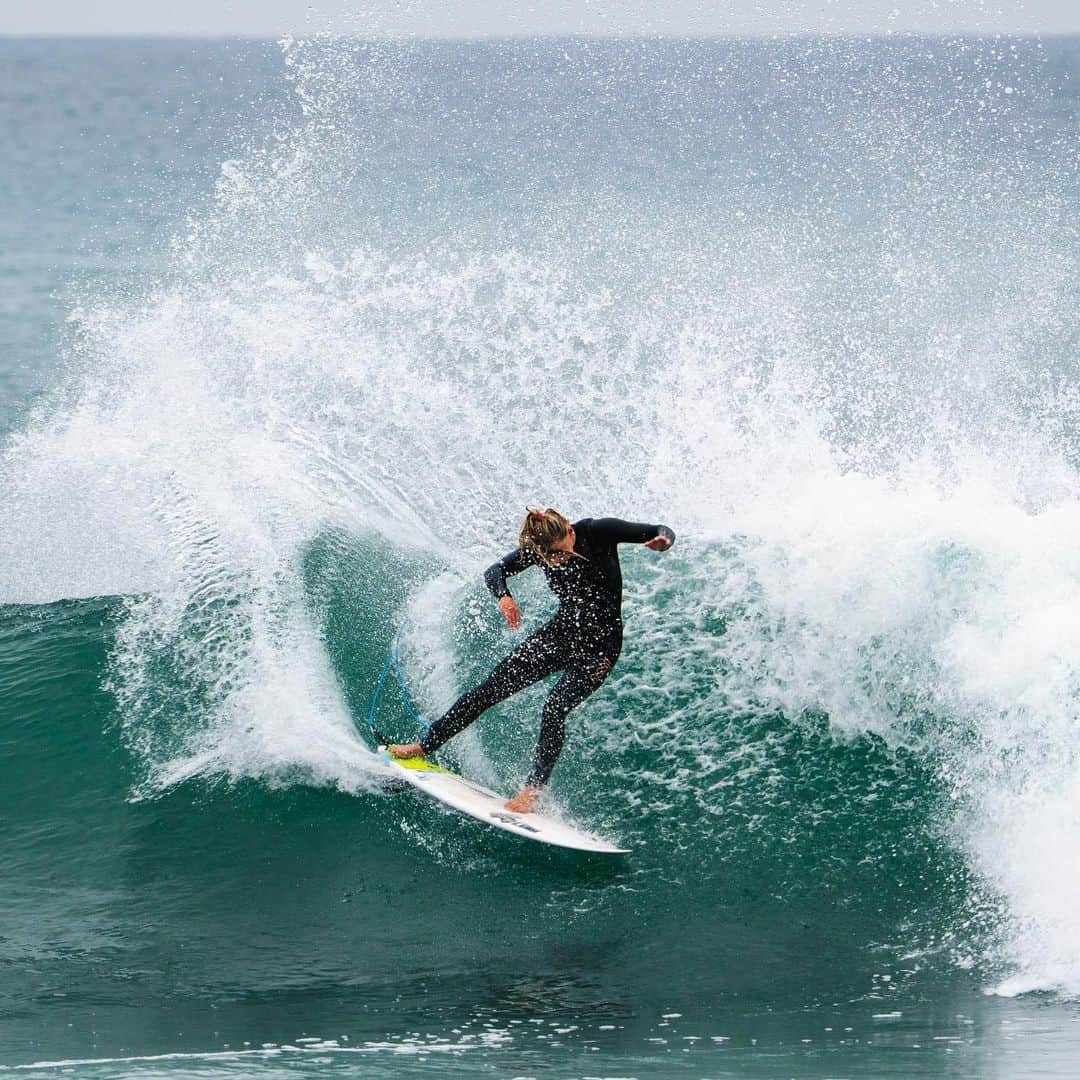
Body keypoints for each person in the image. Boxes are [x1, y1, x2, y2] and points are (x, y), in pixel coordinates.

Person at [389, 507, 675, 813]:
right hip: (561, 634)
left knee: (555, 706)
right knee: (491, 687)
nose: (552, 561)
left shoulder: (598, 531)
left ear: (568, 530)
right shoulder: (542, 548)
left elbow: (661, 528)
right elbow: (495, 571)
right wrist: (504, 597)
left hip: (599, 648)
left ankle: (531, 793)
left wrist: (663, 540)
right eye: (546, 557)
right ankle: (425, 745)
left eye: (556, 554)